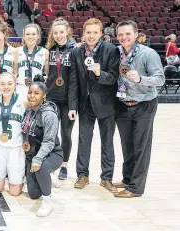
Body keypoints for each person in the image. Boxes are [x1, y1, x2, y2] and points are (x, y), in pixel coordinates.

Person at [113, 20, 165, 198]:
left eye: (127, 34)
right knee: (127, 146)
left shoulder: (148, 54)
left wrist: (141, 79)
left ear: (136, 34)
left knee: (141, 147)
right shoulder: (116, 52)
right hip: (122, 104)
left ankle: (135, 188)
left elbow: (160, 79)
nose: (124, 37)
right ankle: (127, 179)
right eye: (120, 34)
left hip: (144, 105)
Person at [68, 18, 120, 192]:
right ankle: (82, 175)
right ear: (83, 34)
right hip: (85, 104)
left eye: (94, 32)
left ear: (101, 34)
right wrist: (72, 106)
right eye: (88, 32)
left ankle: (107, 178)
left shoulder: (111, 50)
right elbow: (73, 81)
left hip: (106, 103)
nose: (91, 36)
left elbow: (113, 77)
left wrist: (99, 73)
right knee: (84, 141)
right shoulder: (76, 53)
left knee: (107, 142)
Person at [22, 79, 63, 217]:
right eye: (30, 92)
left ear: (44, 95)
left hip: (52, 154)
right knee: (33, 194)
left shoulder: (49, 114)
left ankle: (48, 201)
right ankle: (47, 176)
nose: (32, 96)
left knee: (42, 166)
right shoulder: (28, 110)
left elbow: (49, 142)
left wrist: (38, 159)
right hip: (33, 154)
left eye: (36, 93)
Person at [45, 18, 77, 181]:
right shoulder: (49, 50)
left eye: (61, 32)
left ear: (67, 32)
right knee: (51, 132)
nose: (58, 35)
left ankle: (64, 165)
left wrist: (73, 105)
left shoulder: (75, 51)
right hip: (51, 98)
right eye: (55, 33)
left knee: (66, 133)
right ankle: (52, 162)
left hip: (68, 100)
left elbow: (75, 80)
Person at [0, 72, 26, 195]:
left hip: (16, 147)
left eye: (10, 84)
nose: (6, 87)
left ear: (15, 84)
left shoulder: (23, 101)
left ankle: (18, 177)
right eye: (2, 84)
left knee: (15, 192)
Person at [16, 23, 49, 99]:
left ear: (38, 36)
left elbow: (47, 74)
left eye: (33, 34)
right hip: (20, 88)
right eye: (27, 34)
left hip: (37, 89)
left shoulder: (45, 52)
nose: (30, 37)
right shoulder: (17, 51)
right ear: (23, 36)